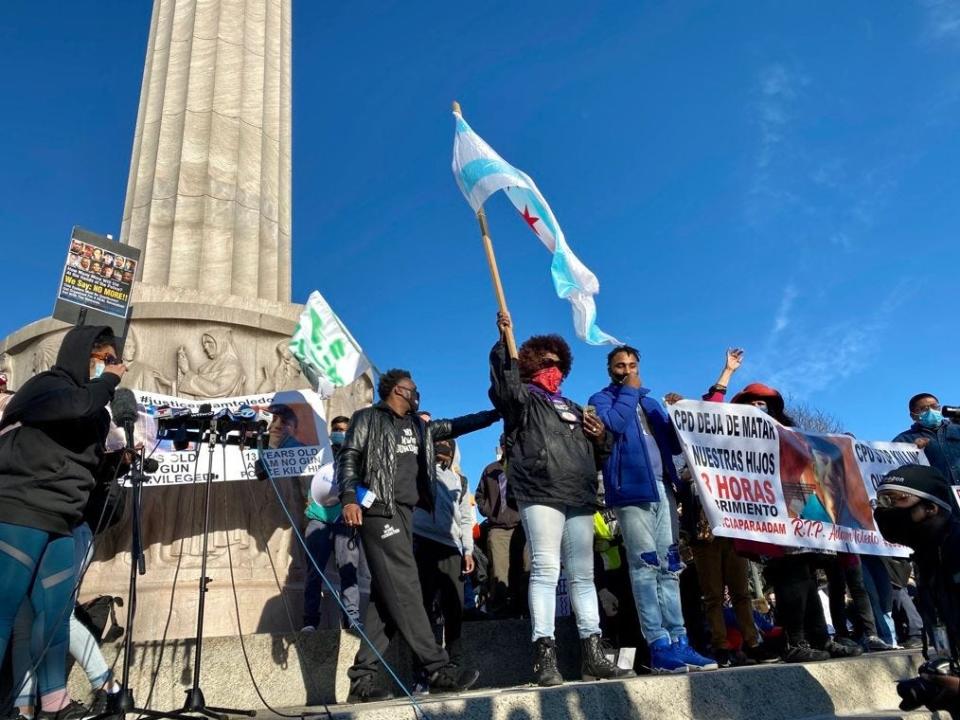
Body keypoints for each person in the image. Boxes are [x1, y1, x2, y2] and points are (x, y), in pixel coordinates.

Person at [490, 313, 634, 687]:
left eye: (559, 364)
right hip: (540, 491)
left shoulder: (573, 406)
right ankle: (544, 653)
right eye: (547, 363)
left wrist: (601, 435)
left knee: (583, 575)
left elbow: (600, 453)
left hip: (579, 494)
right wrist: (504, 346)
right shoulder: (523, 401)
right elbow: (504, 389)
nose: (555, 370)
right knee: (545, 568)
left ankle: (593, 650)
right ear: (533, 365)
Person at [338, 369, 499, 702]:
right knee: (408, 585)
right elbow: (349, 457)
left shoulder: (419, 427)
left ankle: (362, 681)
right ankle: (437, 668)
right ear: (399, 390)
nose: (417, 394)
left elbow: (457, 425)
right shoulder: (367, 418)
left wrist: (495, 414)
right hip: (379, 509)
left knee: (385, 603)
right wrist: (349, 498)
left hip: (406, 513)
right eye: (413, 390)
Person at [0, 325, 126, 720]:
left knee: (54, 617)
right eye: (104, 359)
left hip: (62, 520)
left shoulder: (96, 411)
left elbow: (92, 456)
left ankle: (55, 704)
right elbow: (73, 406)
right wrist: (107, 380)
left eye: (113, 361)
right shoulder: (46, 387)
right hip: (21, 508)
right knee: (4, 612)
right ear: (82, 354)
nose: (111, 367)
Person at [589, 345, 717, 673]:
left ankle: (680, 642)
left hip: (662, 488)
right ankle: (658, 645)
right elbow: (614, 425)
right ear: (610, 370)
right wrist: (630, 391)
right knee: (644, 567)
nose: (627, 370)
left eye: (632, 364)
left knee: (670, 567)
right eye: (620, 365)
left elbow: (674, 445)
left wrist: (676, 414)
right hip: (631, 493)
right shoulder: (601, 400)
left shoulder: (649, 402)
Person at [668, 349, 780, 668]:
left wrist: (728, 373)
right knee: (714, 594)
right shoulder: (689, 456)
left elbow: (716, 411)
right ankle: (721, 645)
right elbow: (710, 409)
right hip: (704, 532)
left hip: (733, 525)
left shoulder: (729, 447)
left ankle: (752, 641)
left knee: (742, 592)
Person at [873, 465, 960, 717]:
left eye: (894, 500)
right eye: (880, 501)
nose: (883, 511)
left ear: (931, 508)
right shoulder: (929, 557)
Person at [411, 438, 475, 688]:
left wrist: (468, 550)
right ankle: (422, 674)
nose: (442, 454)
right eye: (437, 448)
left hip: (451, 547)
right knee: (423, 609)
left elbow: (467, 518)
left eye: (447, 450)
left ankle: (453, 666)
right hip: (421, 542)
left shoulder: (461, 480)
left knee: (454, 610)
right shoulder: (416, 472)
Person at [302, 415, 368, 632]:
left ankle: (352, 619)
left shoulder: (359, 458)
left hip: (345, 522)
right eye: (337, 429)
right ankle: (310, 620)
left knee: (349, 571)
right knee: (314, 572)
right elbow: (305, 475)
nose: (340, 432)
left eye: (345, 430)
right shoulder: (320, 453)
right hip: (318, 519)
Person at [474, 436, 527, 618]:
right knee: (499, 571)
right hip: (498, 528)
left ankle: (525, 612)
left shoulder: (524, 466)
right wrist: (488, 511)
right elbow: (479, 496)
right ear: (501, 447)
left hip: (522, 526)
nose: (507, 448)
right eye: (504, 445)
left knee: (525, 569)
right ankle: (499, 616)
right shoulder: (490, 470)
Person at [893, 394, 960, 486]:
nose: (931, 411)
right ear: (913, 416)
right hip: (936, 497)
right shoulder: (903, 440)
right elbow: (897, 471)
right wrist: (913, 449)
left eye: (934, 407)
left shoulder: (957, 429)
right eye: (923, 409)